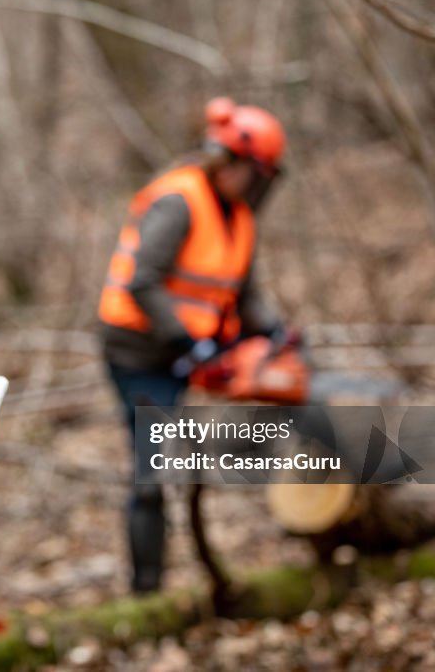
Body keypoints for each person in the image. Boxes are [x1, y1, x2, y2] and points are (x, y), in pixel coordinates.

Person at [98, 97, 288, 592]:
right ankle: (146, 593)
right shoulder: (179, 201)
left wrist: (272, 333)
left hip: (181, 354)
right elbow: (144, 282)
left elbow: (244, 295)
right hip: (138, 353)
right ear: (239, 165)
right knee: (151, 470)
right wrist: (191, 342)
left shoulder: (239, 219)